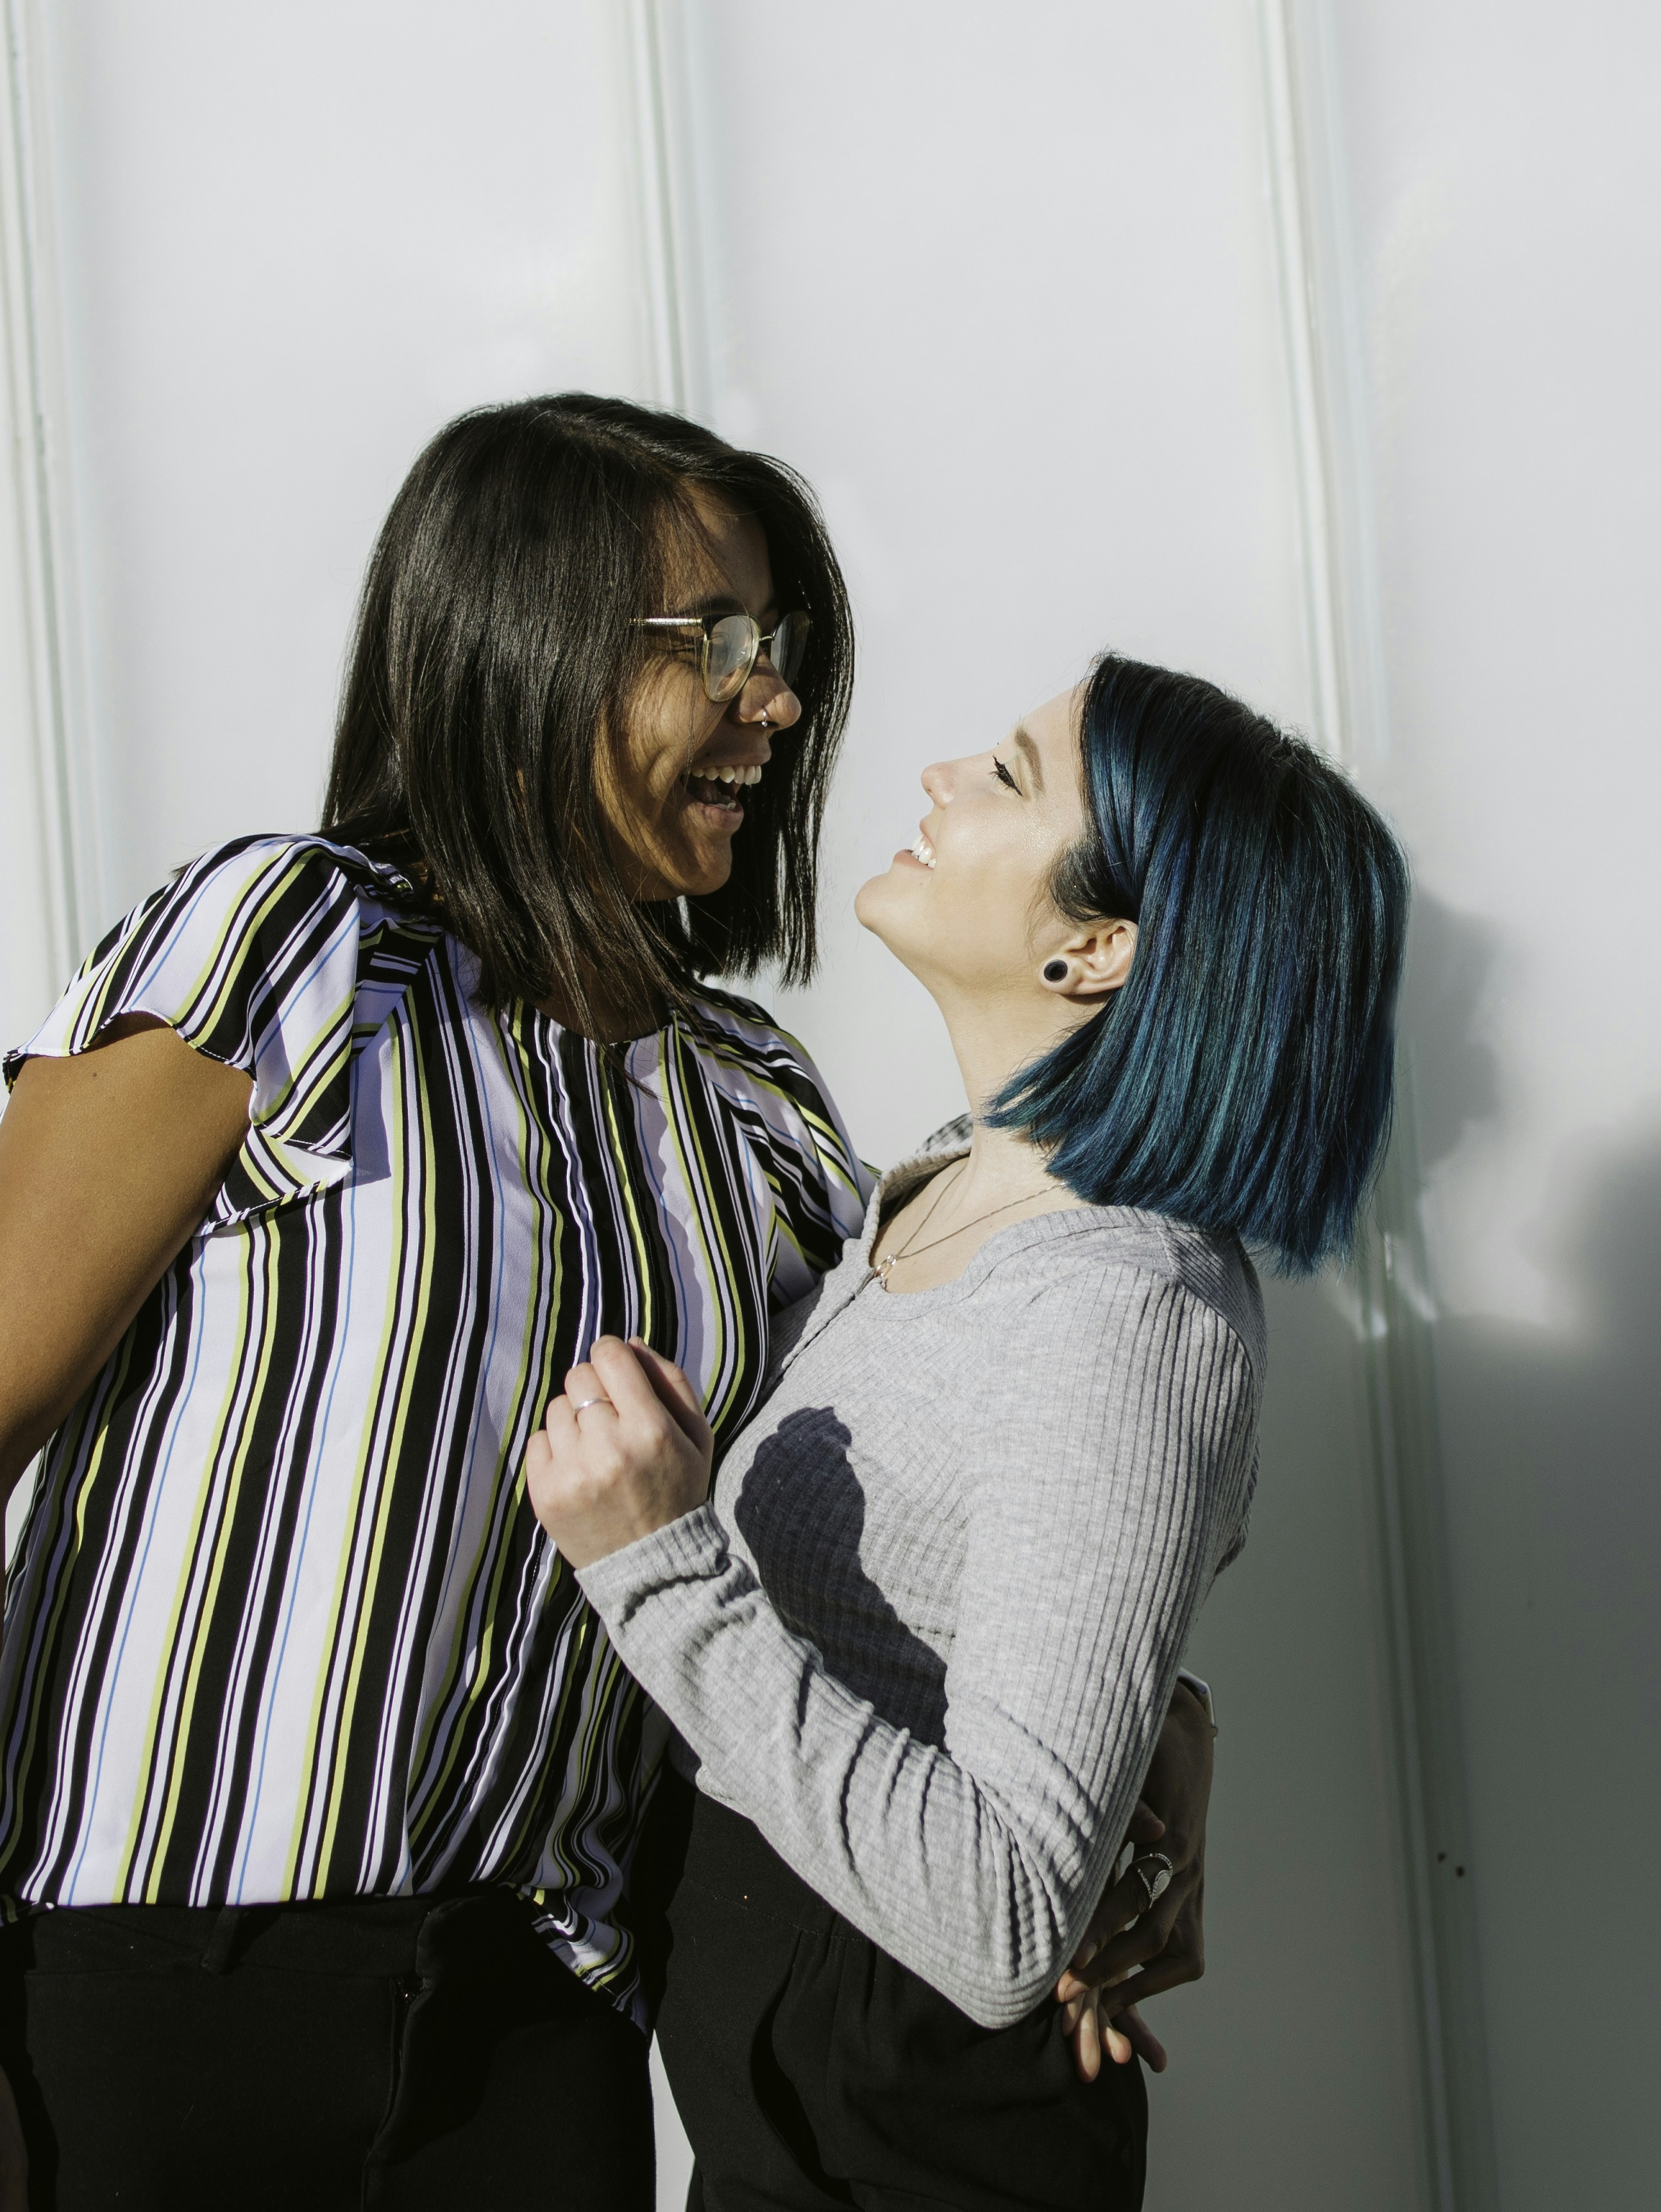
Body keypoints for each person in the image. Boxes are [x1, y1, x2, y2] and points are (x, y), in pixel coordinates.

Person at [0, 396, 1205, 2212]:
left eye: (781, 654)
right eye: (716, 644)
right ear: (523, 642)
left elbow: (919, 1501)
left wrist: (1148, 1749)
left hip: (531, 2039)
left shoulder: (760, 1108)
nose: (777, 705)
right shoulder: (294, 954)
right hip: (141, 2004)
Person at [525, 653, 1409, 2212]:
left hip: (909, 2131)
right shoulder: (930, 1191)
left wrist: (659, 1563)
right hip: (783, 2094)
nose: (935, 777)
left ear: (1096, 945)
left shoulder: (1127, 1307)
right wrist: (1153, 1715)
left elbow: (1005, 1916)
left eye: (1004, 776)